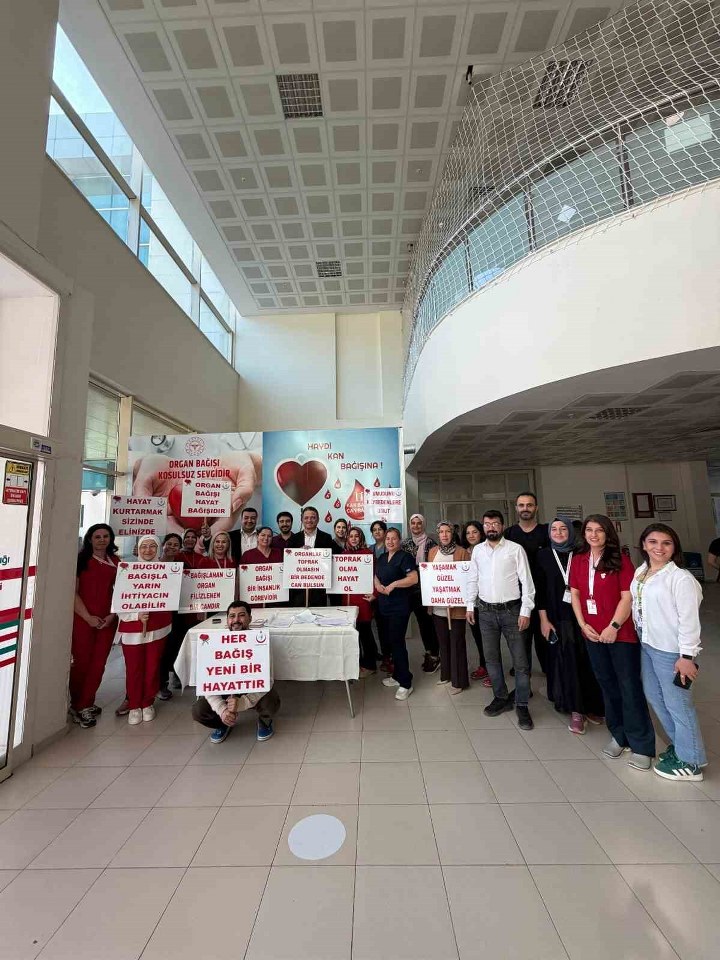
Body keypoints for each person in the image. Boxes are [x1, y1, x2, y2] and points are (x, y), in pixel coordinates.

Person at [569, 514, 656, 769]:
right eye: (589, 530)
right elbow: (575, 594)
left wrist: (614, 626)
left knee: (629, 686)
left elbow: (627, 597)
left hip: (620, 635)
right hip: (592, 634)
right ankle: (619, 736)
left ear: (608, 533)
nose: (593, 534)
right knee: (607, 685)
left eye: (599, 530)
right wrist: (583, 625)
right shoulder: (579, 560)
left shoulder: (621, 560)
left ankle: (641, 745)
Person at [632, 524, 706, 780]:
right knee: (655, 696)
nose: (659, 548)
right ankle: (681, 746)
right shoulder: (642, 571)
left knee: (678, 704)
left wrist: (687, 657)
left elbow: (689, 620)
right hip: (648, 644)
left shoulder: (681, 579)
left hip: (671, 651)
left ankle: (691, 762)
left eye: (666, 543)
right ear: (644, 544)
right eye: (653, 542)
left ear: (674, 547)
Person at [465, 510, 535, 730]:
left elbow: (527, 582)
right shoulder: (478, 551)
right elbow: (473, 578)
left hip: (512, 611)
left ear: (502, 526)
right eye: (487, 524)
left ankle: (522, 704)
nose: (491, 527)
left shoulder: (515, 549)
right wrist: (470, 605)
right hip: (485, 612)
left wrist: (526, 610)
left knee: (520, 662)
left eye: (495, 523)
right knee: (491, 659)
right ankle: (501, 697)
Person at [536, 517, 604, 735]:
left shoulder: (583, 553)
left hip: (584, 617)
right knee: (568, 662)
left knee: (589, 661)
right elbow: (540, 590)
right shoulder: (543, 555)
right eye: (554, 529)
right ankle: (576, 710)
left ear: (571, 532)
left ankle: (591, 706)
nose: (558, 532)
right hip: (557, 617)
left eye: (563, 529)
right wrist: (543, 619)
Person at [191, 601, 280, 743]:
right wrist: (222, 709)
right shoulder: (215, 643)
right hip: (224, 691)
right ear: (227, 620)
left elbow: (267, 680)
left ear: (250, 618)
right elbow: (208, 683)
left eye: (241, 615)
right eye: (232, 616)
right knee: (198, 710)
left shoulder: (260, 641)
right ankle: (223, 723)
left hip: (251, 689)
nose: (236, 620)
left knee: (271, 700)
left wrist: (243, 702)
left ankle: (265, 722)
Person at [117, 534, 174, 725]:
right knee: (134, 668)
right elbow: (120, 601)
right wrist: (135, 615)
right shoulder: (127, 571)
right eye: (144, 546)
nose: (148, 550)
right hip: (133, 629)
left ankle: (148, 702)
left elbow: (170, 597)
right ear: (138, 549)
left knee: (152, 667)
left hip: (158, 627)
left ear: (158, 549)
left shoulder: (166, 572)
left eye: (152, 546)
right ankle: (134, 704)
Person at [70, 524, 119, 728]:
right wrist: (88, 617)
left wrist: (112, 615)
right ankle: (77, 704)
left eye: (106, 536)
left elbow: (122, 592)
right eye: (97, 536)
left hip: (107, 621)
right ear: (90, 539)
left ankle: (86, 703)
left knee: (99, 664)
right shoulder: (80, 561)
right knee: (81, 663)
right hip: (83, 619)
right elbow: (72, 593)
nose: (102, 540)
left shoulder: (116, 562)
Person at [504, 492, 550, 675]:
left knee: (544, 637)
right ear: (516, 508)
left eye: (529, 505)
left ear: (536, 508)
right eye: (521, 505)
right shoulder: (509, 534)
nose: (525, 508)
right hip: (517, 596)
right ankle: (523, 672)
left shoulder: (546, 532)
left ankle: (550, 672)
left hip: (543, 593)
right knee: (521, 638)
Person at [375, 527, 419, 700]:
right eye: (388, 538)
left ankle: (406, 682)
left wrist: (393, 585)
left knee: (397, 642)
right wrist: (377, 586)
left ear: (399, 540)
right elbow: (376, 575)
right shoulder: (382, 557)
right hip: (383, 605)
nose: (390, 541)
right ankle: (397, 675)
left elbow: (413, 578)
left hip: (399, 606)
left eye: (394, 538)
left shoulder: (405, 557)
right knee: (389, 642)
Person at [428, 522, 470, 694]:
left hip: (456, 608)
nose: (444, 535)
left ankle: (459, 681)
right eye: (441, 532)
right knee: (443, 642)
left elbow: (468, 579)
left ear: (453, 534)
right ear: (438, 534)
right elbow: (430, 578)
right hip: (438, 607)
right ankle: (446, 675)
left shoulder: (462, 552)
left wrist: (458, 596)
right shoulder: (432, 552)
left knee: (457, 643)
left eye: (447, 531)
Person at [401, 514, 440, 673]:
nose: (416, 526)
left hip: (425, 591)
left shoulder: (431, 543)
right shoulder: (405, 544)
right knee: (401, 624)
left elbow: (435, 568)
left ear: (423, 525)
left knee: (426, 625)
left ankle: (433, 655)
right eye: (413, 523)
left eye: (419, 523)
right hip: (406, 590)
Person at [342, 526, 378, 678]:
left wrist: (375, 594)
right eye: (351, 536)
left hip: (363, 600)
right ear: (347, 538)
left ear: (361, 538)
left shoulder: (368, 554)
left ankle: (370, 665)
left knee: (365, 633)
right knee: (352, 635)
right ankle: (356, 663)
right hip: (347, 600)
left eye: (357, 536)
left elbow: (376, 576)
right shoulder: (343, 554)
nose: (354, 538)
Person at [287, 505, 340, 606]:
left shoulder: (326, 537)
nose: (309, 520)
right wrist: (297, 553)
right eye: (306, 518)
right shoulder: (294, 538)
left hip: (319, 589)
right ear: (302, 520)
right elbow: (288, 562)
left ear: (318, 519)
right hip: (299, 588)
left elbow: (334, 559)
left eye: (313, 517)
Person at [157, 533, 185, 701]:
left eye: (176, 545)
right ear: (163, 545)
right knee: (158, 651)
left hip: (175, 613)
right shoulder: (153, 565)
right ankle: (158, 684)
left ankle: (164, 683)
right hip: (156, 614)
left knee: (170, 648)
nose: (172, 547)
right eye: (169, 544)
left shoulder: (182, 567)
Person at [462, 520, 489, 685]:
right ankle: (483, 665)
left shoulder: (488, 549)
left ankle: (493, 670)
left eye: (474, 532)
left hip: (488, 601)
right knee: (478, 637)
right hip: (472, 603)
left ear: (481, 533)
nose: (471, 535)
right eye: (468, 533)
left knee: (490, 638)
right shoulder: (463, 552)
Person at [369, 519, 390, 670]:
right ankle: (385, 656)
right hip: (374, 593)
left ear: (385, 531)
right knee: (380, 627)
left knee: (389, 627)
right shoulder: (369, 549)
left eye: (380, 529)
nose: (377, 532)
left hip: (388, 592)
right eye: (374, 530)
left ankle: (391, 657)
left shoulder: (390, 547)